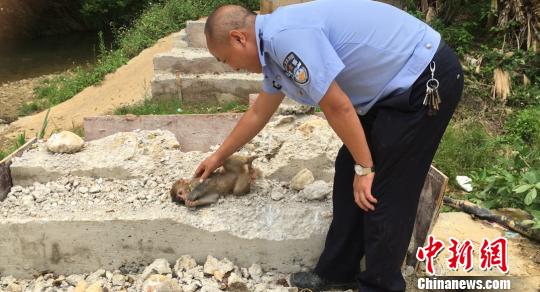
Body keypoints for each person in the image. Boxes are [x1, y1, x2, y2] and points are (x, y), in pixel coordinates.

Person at [194, 0, 464, 291]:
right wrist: (219, 156)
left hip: (424, 76)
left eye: (226, 59)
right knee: (348, 166)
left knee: (385, 188)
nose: (232, 66)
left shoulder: (285, 38)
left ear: (238, 37)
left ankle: (380, 285)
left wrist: (366, 168)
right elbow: (259, 112)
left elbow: (337, 107)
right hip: (388, 89)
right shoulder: (272, 51)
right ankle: (338, 271)